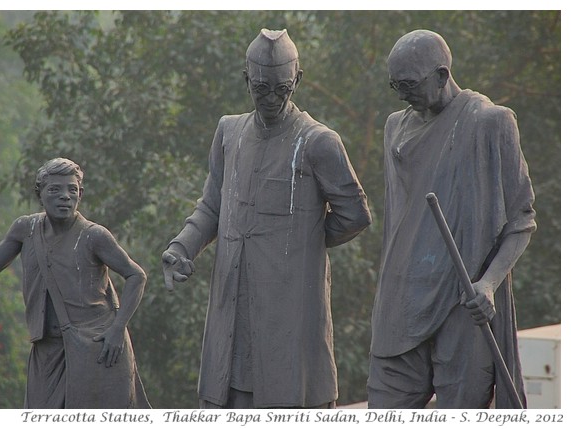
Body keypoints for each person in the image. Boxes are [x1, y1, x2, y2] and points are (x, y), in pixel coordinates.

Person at [162, 28, 371, 408]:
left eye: (282, 89)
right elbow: (212, 206)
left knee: (289, 398)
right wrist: (182, 247)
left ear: (297, 81)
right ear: (246, 81)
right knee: (228, 395)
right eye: (261, 89)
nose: (272, 98)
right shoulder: (229, 132)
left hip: (289, 319)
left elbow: (355, 215)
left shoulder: (319, 142)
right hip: (232, 309)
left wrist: (302, 240)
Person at [368, 29, 537, 409]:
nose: (401, 95)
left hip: (461, 301)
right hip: (401, 298)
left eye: (409, 84)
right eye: (395, 85)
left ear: (442, 75)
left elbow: (521, 221)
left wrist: (489, 284)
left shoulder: (490, 123)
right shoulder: (395, 126)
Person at [0, 158, 151, 409]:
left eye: (72, 190)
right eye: (55, 190)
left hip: (96, 349)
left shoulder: (94, 235)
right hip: (47, 351)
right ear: (40, 194)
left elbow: (136, 276)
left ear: (80, 194)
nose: (65, 196)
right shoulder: (25, 229)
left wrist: (117, 330)